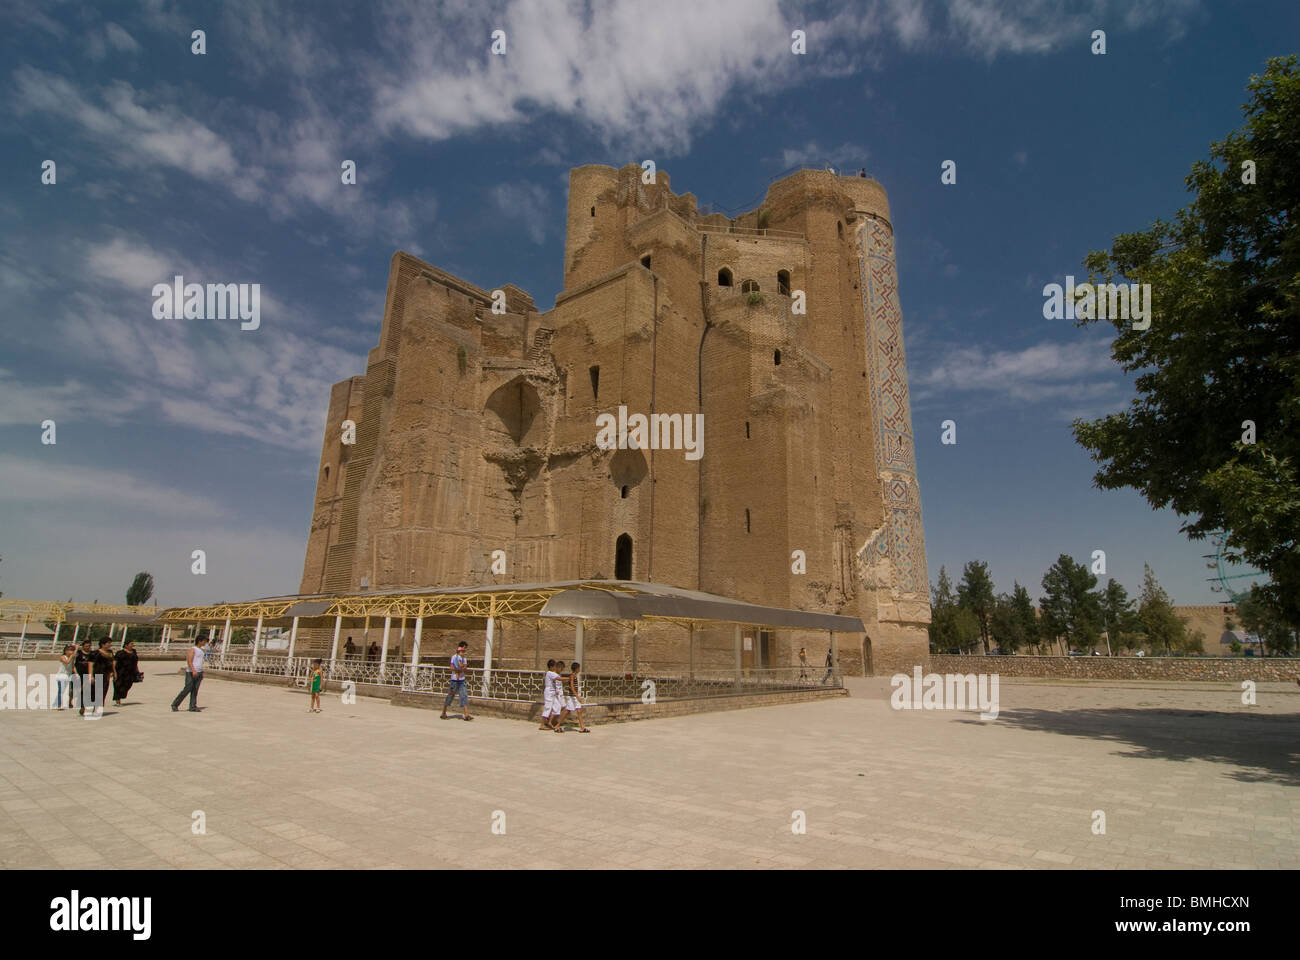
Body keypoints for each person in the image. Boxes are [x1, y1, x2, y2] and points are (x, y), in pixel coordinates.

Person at [171, 636, 208, 712]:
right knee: (188, 688)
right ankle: (175, 704)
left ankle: (192, 706)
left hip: (199, 672)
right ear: (199, 641)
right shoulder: (193, 649)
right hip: (191, 672)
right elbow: (189, 661)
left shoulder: (201, 651)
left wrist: (201, 672)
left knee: (195, 690)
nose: (205, 643)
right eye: (204, 641)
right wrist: (193, 670)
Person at [440, 641, 472, 721]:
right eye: (464, 648)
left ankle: (466, 714)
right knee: (450, 695)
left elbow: (465, 668)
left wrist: (463, 668)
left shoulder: (464, 658)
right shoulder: (454, 657)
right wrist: (457, 669)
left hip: (462, 680)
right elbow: (451, 667)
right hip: (454, 680)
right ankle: (443, 712)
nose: (464, 650)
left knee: (464, 695)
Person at [113, 638, 140, 706]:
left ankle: (120, 696)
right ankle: (118, 700)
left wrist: (137, 670)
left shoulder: (134, 652)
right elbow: (114, 662)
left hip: (131, 672)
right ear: (126, 645)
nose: (132, 645)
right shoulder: (120, 653)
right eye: (131, 644)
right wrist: (113, 671)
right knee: (118, 686)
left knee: (128, 685)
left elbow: (135, 662)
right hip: (121, 672)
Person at [92, 638, 115, 714]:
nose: (110, 644)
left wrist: (113, 672)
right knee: (97, 691)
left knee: (104, 691)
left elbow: (112, 662)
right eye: (108, 643)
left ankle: (99, 707)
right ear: (102, 644)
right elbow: (91, 664)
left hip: (106, 674)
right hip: (97, 673)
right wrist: (91, 675)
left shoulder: (110, 652)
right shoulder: (96, 653)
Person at [565, 662, 590, 733]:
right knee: (567, 711)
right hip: (572, 697)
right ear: (576, 669)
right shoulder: (572, 676)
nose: (579, 669)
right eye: (578, 668)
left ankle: (582, 727)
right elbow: (572, 687)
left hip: (575, 697)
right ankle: (557, 725)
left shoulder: (574, 676)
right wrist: (577, 696)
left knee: (579, 711)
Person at [539, 659, 562, 731]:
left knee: (557, 706)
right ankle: (542, 725)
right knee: (548, 707)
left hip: (553, 692)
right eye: (555, 666)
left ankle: (550, 722)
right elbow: (559, 678)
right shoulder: (550, 673)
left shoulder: (553, 673)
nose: (555, 668)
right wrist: (569, 678)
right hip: (549, 692)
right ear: (551, 667)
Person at [74, 639, 93, 716]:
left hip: (89, 674)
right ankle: (82, 706)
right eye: (86, 646)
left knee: (88, 691)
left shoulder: (92, 654)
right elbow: (73, 657)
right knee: (81, 691)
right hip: (80, 675)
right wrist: (76, 648)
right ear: (83, 646)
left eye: (89, 646)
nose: (88, 647)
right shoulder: (79, 653)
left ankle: (85, 705)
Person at [55, 644, 76, 710]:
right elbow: (67, 662)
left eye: (72, 650)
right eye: (69, 650)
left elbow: (72, 666)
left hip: (68, 676)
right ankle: (59, 705)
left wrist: (76, 673)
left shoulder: (71, 658)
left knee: (67, 691)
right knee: (61, 691)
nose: (71, 652)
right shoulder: (63, 657)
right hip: (61, 676)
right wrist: (72, 656)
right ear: (65, 651)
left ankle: (67, 703)